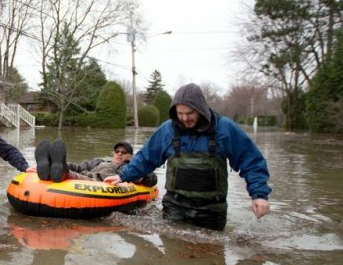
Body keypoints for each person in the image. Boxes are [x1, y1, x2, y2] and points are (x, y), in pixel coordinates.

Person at [104, 83, 271, 230]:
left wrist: (259, 195)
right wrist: (124, 175)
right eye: (180, 113)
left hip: (212, 210)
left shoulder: (225, 129)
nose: (184, 118)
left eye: (189, 113)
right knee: (172, 255)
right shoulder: (167, 130)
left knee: (212, 259)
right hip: (175, 207)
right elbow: (147, 157)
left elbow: (251, 162)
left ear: (201, 109)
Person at [31, 139, 157, 186]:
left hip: (96, 182)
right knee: (74, 167)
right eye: (117, 151)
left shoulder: (128, 168)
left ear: (130, 156)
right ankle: (53, 165)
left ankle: (62, 171)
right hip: (84, 176)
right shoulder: (99, 161)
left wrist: (141, 175)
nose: (119, 154)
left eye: (123, 152)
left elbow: (151, 178)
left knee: (75, 174)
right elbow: (79, 166)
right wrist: (68, 165)